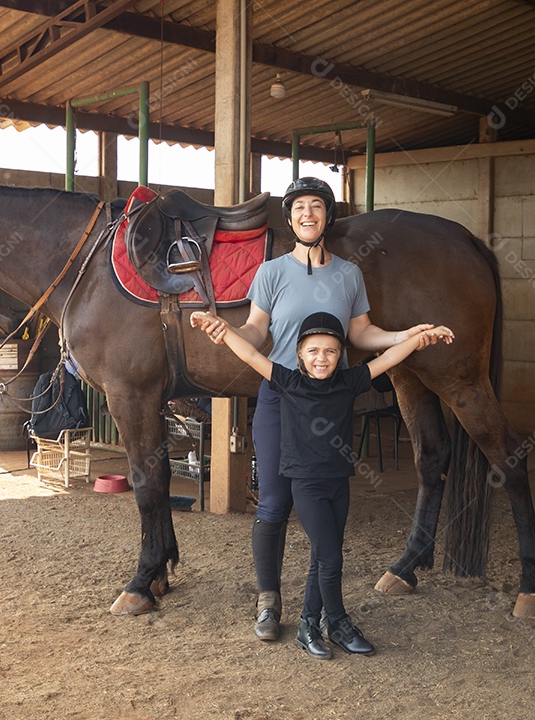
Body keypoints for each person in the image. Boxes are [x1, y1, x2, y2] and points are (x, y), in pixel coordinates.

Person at [191, 177, 438, 643]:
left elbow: (362, 336)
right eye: (300, 207)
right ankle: (268, 601)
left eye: (317, 207)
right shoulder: (271, 272)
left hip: (328, 402)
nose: (308, 214)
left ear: (328, 216)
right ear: (291, 217)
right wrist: (226, 333)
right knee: (274, 504)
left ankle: (319, 611)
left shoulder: (348, 274)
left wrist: (404, 336)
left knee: (326, 506)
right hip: (280, 395)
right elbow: (256, 333)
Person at [191, 310, 454, 658]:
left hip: (338, 485)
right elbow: (251, 354)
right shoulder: (287, 381)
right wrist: (221, 329)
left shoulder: (349, 382)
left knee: (322, 557)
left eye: (330, 351)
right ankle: (340, 622)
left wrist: (419, 338)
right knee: (331, 560)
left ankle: (309, 626)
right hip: (308, 487)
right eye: (313, 351)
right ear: (300, 353)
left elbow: (389, 358)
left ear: (340, 355)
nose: (322, 358)